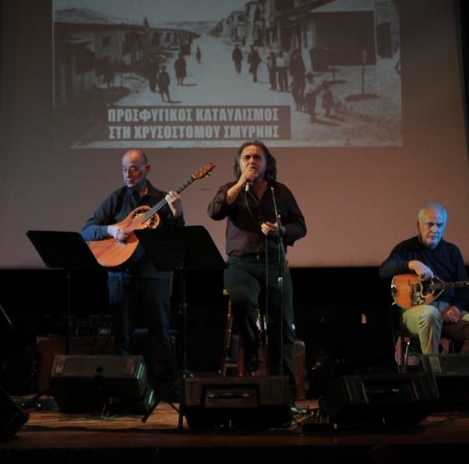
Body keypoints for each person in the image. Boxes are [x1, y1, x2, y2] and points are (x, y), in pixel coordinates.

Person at [208, 141, 306, 412]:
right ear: (239, 163)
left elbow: (301, 226)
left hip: (274, 264)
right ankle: (251, 349)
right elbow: (215, 211)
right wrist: (241, 183)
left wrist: (281, 230)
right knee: (240, 299)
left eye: (257, 157)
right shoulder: (230, 189)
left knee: (282, 328)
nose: (252, 161)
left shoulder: (280, 192)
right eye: (246, 157)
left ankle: (284, 396)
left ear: (267, 163)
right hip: (240, 265)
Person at [81, 149, 183, 395]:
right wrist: (112, 230)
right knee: (122, 336)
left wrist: (177, 213)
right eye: (124, 169)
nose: (128, 174)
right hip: (120, 277)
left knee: (159, 334)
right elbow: (87, 230)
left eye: (134, 168)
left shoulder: (161, 200)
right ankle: (124, 390)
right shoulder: (116, 199)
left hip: (154, 276)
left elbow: (176, 237)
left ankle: (164, 389)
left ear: (147, 169)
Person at [379, 203, 469, 357]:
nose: (435, 230)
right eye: (429, 224)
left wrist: (456, 308)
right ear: (418, 226)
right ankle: (433, 374)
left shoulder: (452, 251)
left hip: (446, 310)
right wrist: (412, 264)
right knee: (430, 314)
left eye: (440, 225)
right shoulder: (405, 248)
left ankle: (461, 375)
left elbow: (465, 289)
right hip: (414, 311)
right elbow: (384, 271)